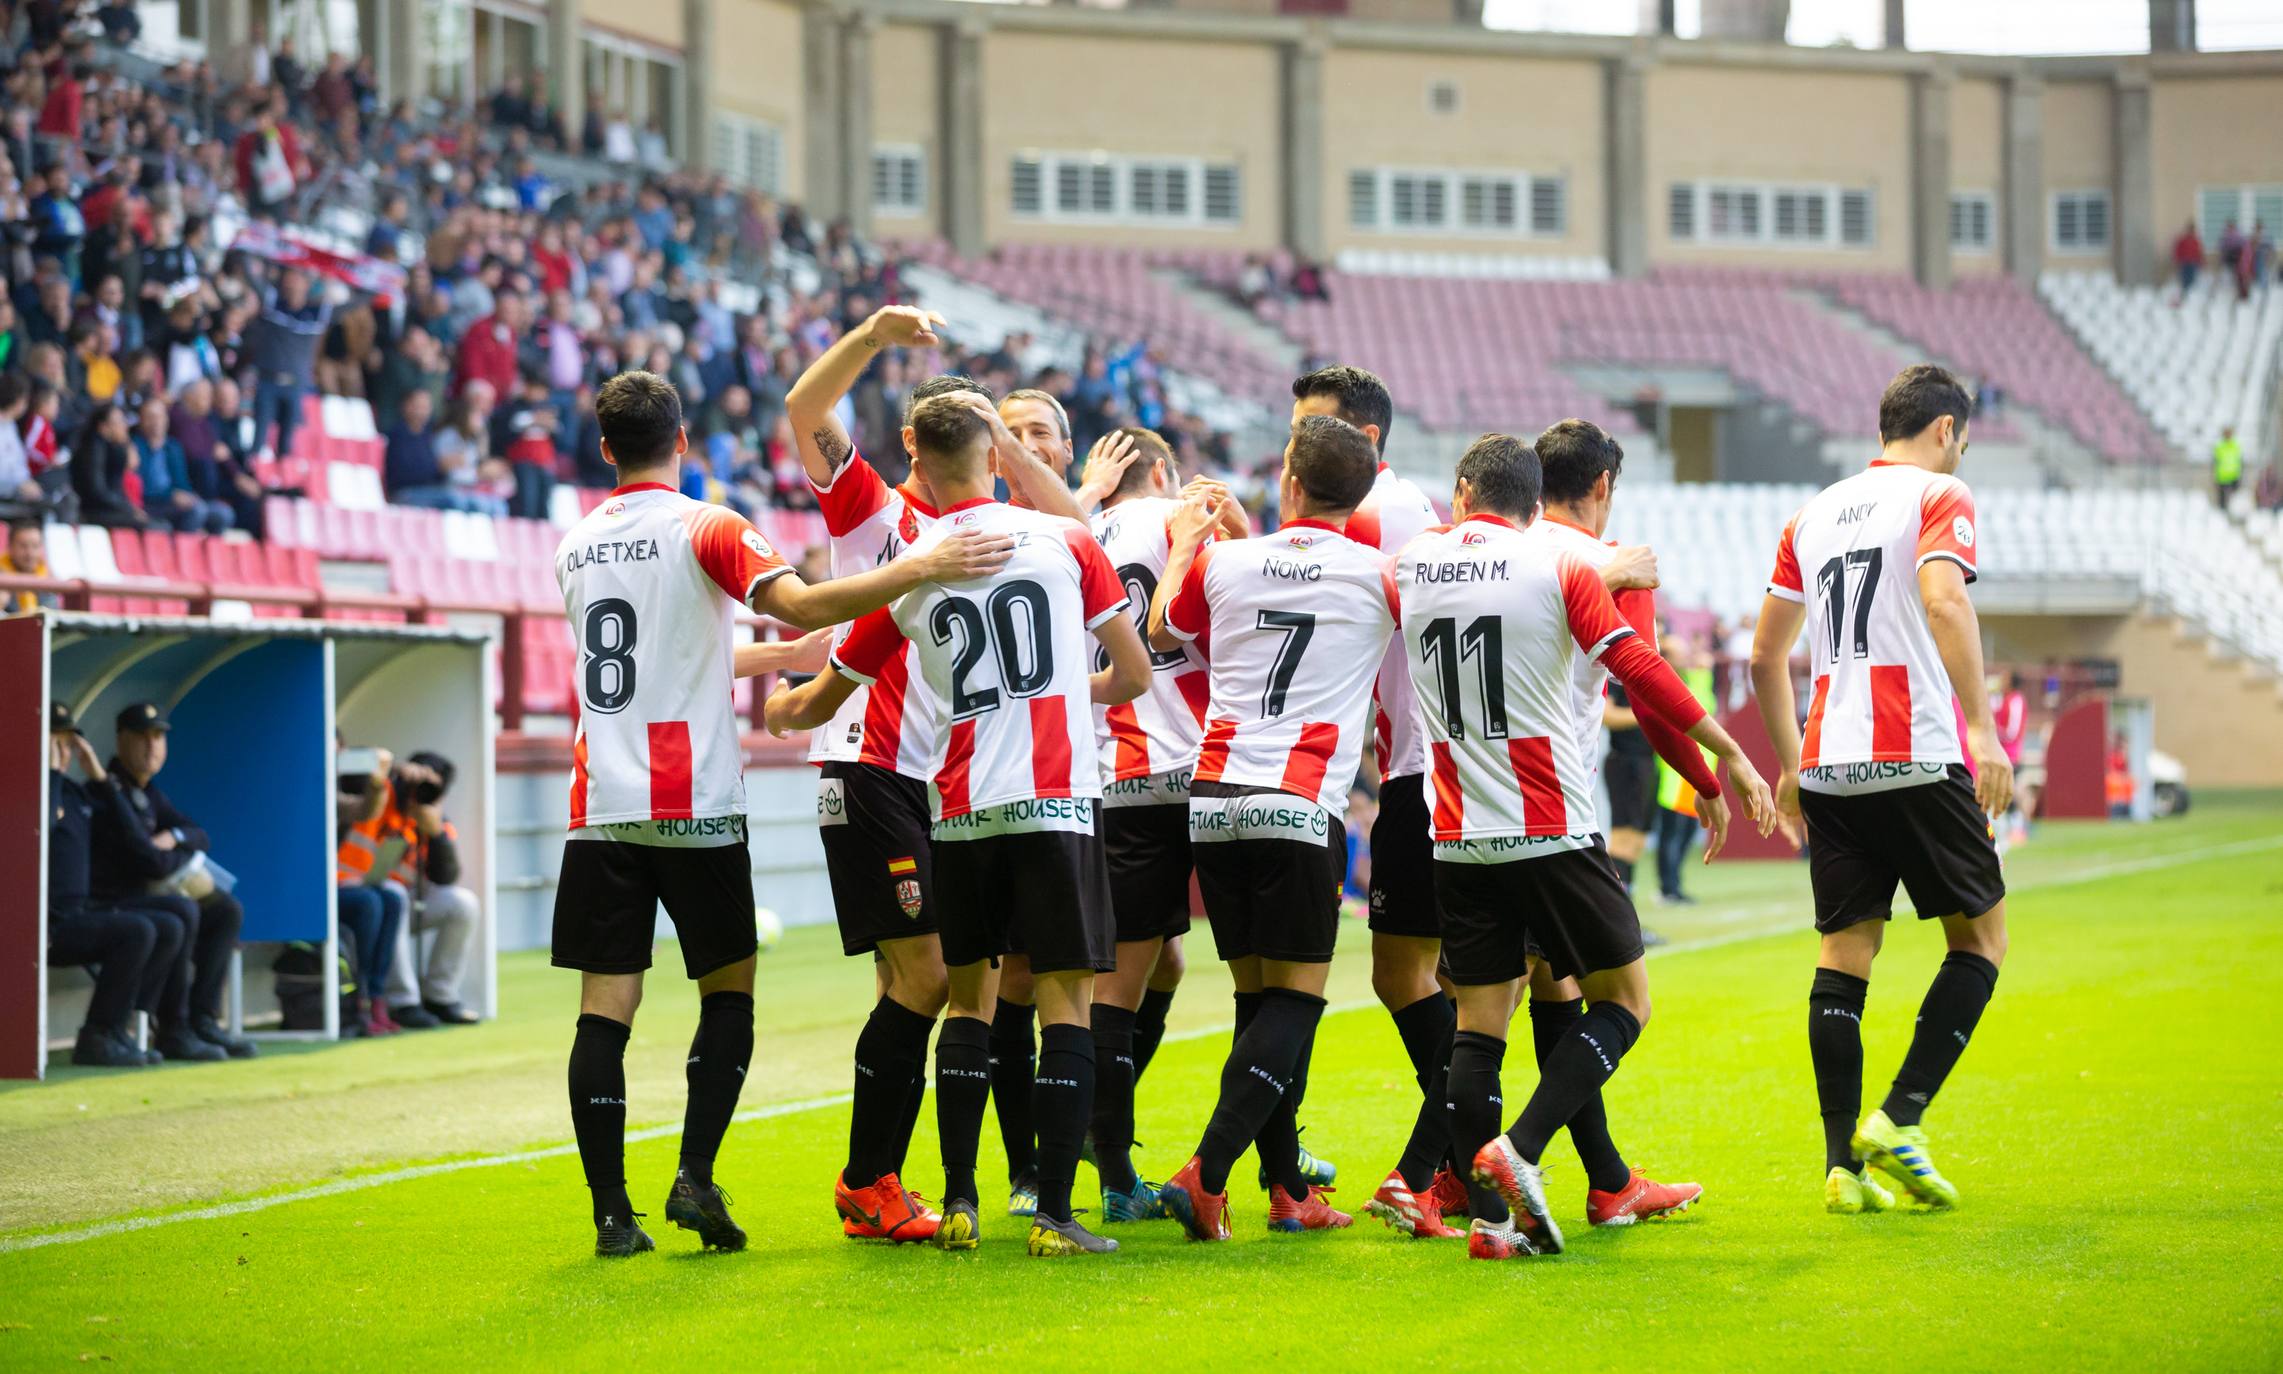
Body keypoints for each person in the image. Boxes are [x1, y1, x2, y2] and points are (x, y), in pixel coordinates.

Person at [552, 370, 1016, 1259]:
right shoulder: (708, 525)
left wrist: (778, 655)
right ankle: (695, 1173)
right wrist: (915, 569)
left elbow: (659, 656)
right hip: (694, 806)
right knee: (728, 994)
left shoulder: (574, 546)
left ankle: (613, 1217)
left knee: (603, 1010)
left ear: (606, 449)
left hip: (600, 806)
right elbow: (800, 596)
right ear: (684, 441)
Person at [766, 393, 1150, 1258]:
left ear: (920, 465)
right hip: (1055, 800)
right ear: (995, 454)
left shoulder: (910, 570)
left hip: (961, 811)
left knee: (968, 1004)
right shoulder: (1067, 542)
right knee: (1065, 1006)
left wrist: (786, 713)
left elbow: (823, 693)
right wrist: (1056, 687)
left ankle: (963, 1203)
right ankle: (1053, 1214)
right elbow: (1130, 678)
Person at [1399, 434, 1773, 1260]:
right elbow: (1639, 668)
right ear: (1536, 503)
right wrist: (1727, 750)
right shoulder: (1564, 567)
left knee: (1479, 1026)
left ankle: (1494, 1228)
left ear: (1462, 495)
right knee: (1623, 1001)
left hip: (1456, 833)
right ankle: (1521, 1151)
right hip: (1550, 824)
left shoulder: (1414, 563)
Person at [1749, 363, 2013, 1216]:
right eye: (1961, 443)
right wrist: (1980, 728)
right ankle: (1899, 1118)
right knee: (1979, 940)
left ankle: (1841, 1168)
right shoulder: (1941, 495)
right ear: (1945, 431)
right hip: (1915, 753)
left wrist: (1790, 763)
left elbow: (1762, 655)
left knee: (1842, 954)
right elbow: (1942, 601)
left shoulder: (1811, 512)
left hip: (1829, 761)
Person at [1138, 413, 1390, 1243]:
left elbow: (1162, 629)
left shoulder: (1224, 561)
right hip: (1299, 801)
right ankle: (1205, 1175)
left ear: (1287, 481)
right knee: (1292, 1004)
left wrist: (1186, 540)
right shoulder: (1380, 573)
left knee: (1256, 1004)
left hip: (1212, 800)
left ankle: (1286, 1190)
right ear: (1363, 495)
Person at [1520, 418, 1712, 1227]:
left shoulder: (1480, 550)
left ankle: (1604, 1182)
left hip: (1457, 810)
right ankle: (1500, 1154)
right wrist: (1707, 776)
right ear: (1601, 487)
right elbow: (1646, 683)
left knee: (1540, 990)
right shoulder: (1613, 564)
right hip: (1555, 804)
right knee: (1621, 998)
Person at [1079, 425, 1247, 1223]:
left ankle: (1105, 1150)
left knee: (1151, 969)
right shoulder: (1191, 519)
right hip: (1210, 768)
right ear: (1162, 471)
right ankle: (1114, 1164)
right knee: (1269, 976)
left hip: (1125, 773)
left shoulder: (1078, 538)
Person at [1285, 365, 1429, 1229]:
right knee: (1443, 977)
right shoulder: (1359, 519)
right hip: (1413, 767)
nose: (1292, 443)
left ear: (1363, 442)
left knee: (1466, 981)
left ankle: (1443, 1160)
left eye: (1309, 427)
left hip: (1435, 772)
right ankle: (1446, 1161)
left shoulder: (1387, 514)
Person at [89, 701, 257, 1060]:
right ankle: (174, 1028)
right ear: (121, 740)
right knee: (182, 910)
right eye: (143, 737)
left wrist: (174, 837)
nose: (152, 747)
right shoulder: (108, 791)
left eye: (158, 737)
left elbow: (199, 835)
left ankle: (203, 1019)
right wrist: (169, 855)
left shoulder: (150, 792)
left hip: (146, 898)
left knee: (226, 909)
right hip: (113, 901)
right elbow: (149, 863)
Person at [46, 703, 180, 1068]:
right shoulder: (33, 790)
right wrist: (53, 774)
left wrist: (101, 779)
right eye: (51, 740)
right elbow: (42, 822)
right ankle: (97, 1036)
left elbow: (129, 832)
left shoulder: (76, 792)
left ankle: (121, 1029)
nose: (60, 750)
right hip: (45, 924)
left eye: (65, 741)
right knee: (134, 931)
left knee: (166, 925)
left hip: (80, 911)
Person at [374, 753, 483, 1028]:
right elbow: (362, 783)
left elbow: (446, 878)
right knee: (394, 893)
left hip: (407, 906)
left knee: (463, 903)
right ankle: (402, 1002)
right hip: (375, 901)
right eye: (417, 783)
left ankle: (440, 996)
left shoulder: (437, 821)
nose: (419, 794)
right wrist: (395, 772)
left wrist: (435, 834)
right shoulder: (381, 801)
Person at [336, 745, 408, 1036]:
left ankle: (377, 995)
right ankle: (360, 996)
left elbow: (364, 809)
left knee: (389, 898)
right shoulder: (300, 788)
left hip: (345, 886)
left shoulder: (336, 793)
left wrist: (378, 783)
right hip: (315, 891)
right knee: (369, 903)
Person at [1652, 632, 1717, 904]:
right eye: (1679, 653)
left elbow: (1705, 708)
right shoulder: (1665, 682)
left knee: (1686, 833)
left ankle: (1674, 885)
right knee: (1672, 833)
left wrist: (1703, 674)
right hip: (1674, 775)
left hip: (1695, 774)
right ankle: (1668, 888)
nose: (1686, 658)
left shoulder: (1692, 681)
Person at [245, 269, 329, 459]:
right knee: (258, 440)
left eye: (297, 278)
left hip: (295, 385)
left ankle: (282, 480)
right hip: (267, 381)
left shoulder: (317, 313)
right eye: (288, 277)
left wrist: (377, 280)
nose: (291, 282)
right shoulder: (273, 302)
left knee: (287, 444)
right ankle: (251, 477)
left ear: (306, 284)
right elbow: (252, 275)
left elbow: (356, 302)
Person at [4, 520, 60, 616]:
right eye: (23, 546)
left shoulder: (48, 579)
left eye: (35, 546)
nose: (30, 553)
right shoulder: (2, 577)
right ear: (10, 547)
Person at [2213, 426, 2243, 509]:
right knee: (2222, 500)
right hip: (2222, 476)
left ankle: (2233, 512)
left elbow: (2239, 461)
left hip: (2234, 476)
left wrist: (2240, 475)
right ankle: (2222, 514)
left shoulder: (2236, 445)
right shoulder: (2219, 446)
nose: (2228, 435)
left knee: (2234, 499)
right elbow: (2216, 462)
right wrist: (2215, 477)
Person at [2172, 221, 2204, 293]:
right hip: (2184, 262)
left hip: (2193, 262)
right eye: (2190, 230)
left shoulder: (2195, 241)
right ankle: (2184, 291)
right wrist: (2177, 260)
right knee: (2184, 278)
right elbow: (2178, 250)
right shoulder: (2183, 240)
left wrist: (2200, 261)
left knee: (2192, 278)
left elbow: (2198, 252)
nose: (2191, 232)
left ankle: (2191, 292)